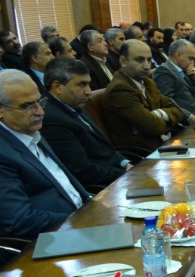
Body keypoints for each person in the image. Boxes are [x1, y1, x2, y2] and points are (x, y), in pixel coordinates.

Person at [0, 70, 88, 239]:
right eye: (27, 106)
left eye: (40, 102)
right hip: (51, 239)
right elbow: (20, 221)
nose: (40, 112)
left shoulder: (30, 131)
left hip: (82, 219)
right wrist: (81, 219)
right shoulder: (3, 153)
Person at [41, 58, 130, 188]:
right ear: (57, 87)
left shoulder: (72, 104)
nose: (88, 91)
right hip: (105, 187)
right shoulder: (52, 120)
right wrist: (127, 174)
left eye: (88, 84)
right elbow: (83, 171)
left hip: (117, 173)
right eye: (81, 85)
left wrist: (125, 163)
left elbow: (104, 149)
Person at [103, 40, 190, 152]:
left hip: (166, 143)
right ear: (123, 61)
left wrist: (159, 114)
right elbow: (154, 127)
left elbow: (178, 110)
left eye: (149, 60)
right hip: (145, 152)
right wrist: (168, 119)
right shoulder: (119, 89)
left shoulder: (148, 82)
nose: (147, 66)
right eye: (140, 60)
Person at [153, 39, 195, 118]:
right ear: (178, 55)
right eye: (190, 58)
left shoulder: (182, 70)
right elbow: (168, 103)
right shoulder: (164, 71)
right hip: (189, 120)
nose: (193, 63)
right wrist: (189, 117)